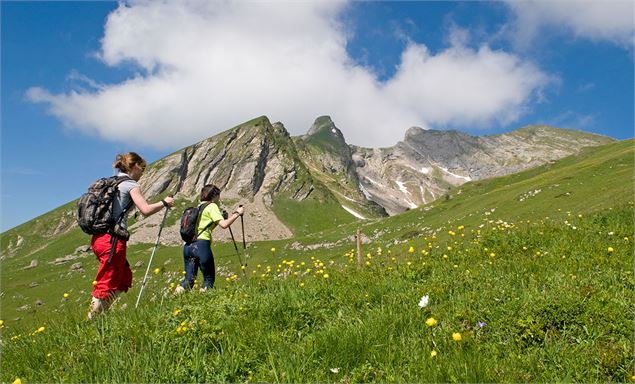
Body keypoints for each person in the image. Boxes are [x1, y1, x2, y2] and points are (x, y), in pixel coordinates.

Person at [88, 152, 174, 319]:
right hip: (112, 239)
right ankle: (91, 322)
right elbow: (146, 210)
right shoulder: (129, 184)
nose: (142, 172)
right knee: (107, 282)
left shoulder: (111, 182)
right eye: (142, 168)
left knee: (124, 277)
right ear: (134, 166)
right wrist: (164, 202)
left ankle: (102, 314)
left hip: (99, 238)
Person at [175, 184, 244, 293]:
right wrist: (237, 213)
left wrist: (217, 220)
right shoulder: (212, 206)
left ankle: (174, 300)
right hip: (201, 246)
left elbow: (205, 227)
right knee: (208, 279)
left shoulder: (198, 207)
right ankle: (205, 303)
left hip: (188, 246)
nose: (219, 199)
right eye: (218, 196)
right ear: (214, 196)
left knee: (189, 281)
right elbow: (224, 225)